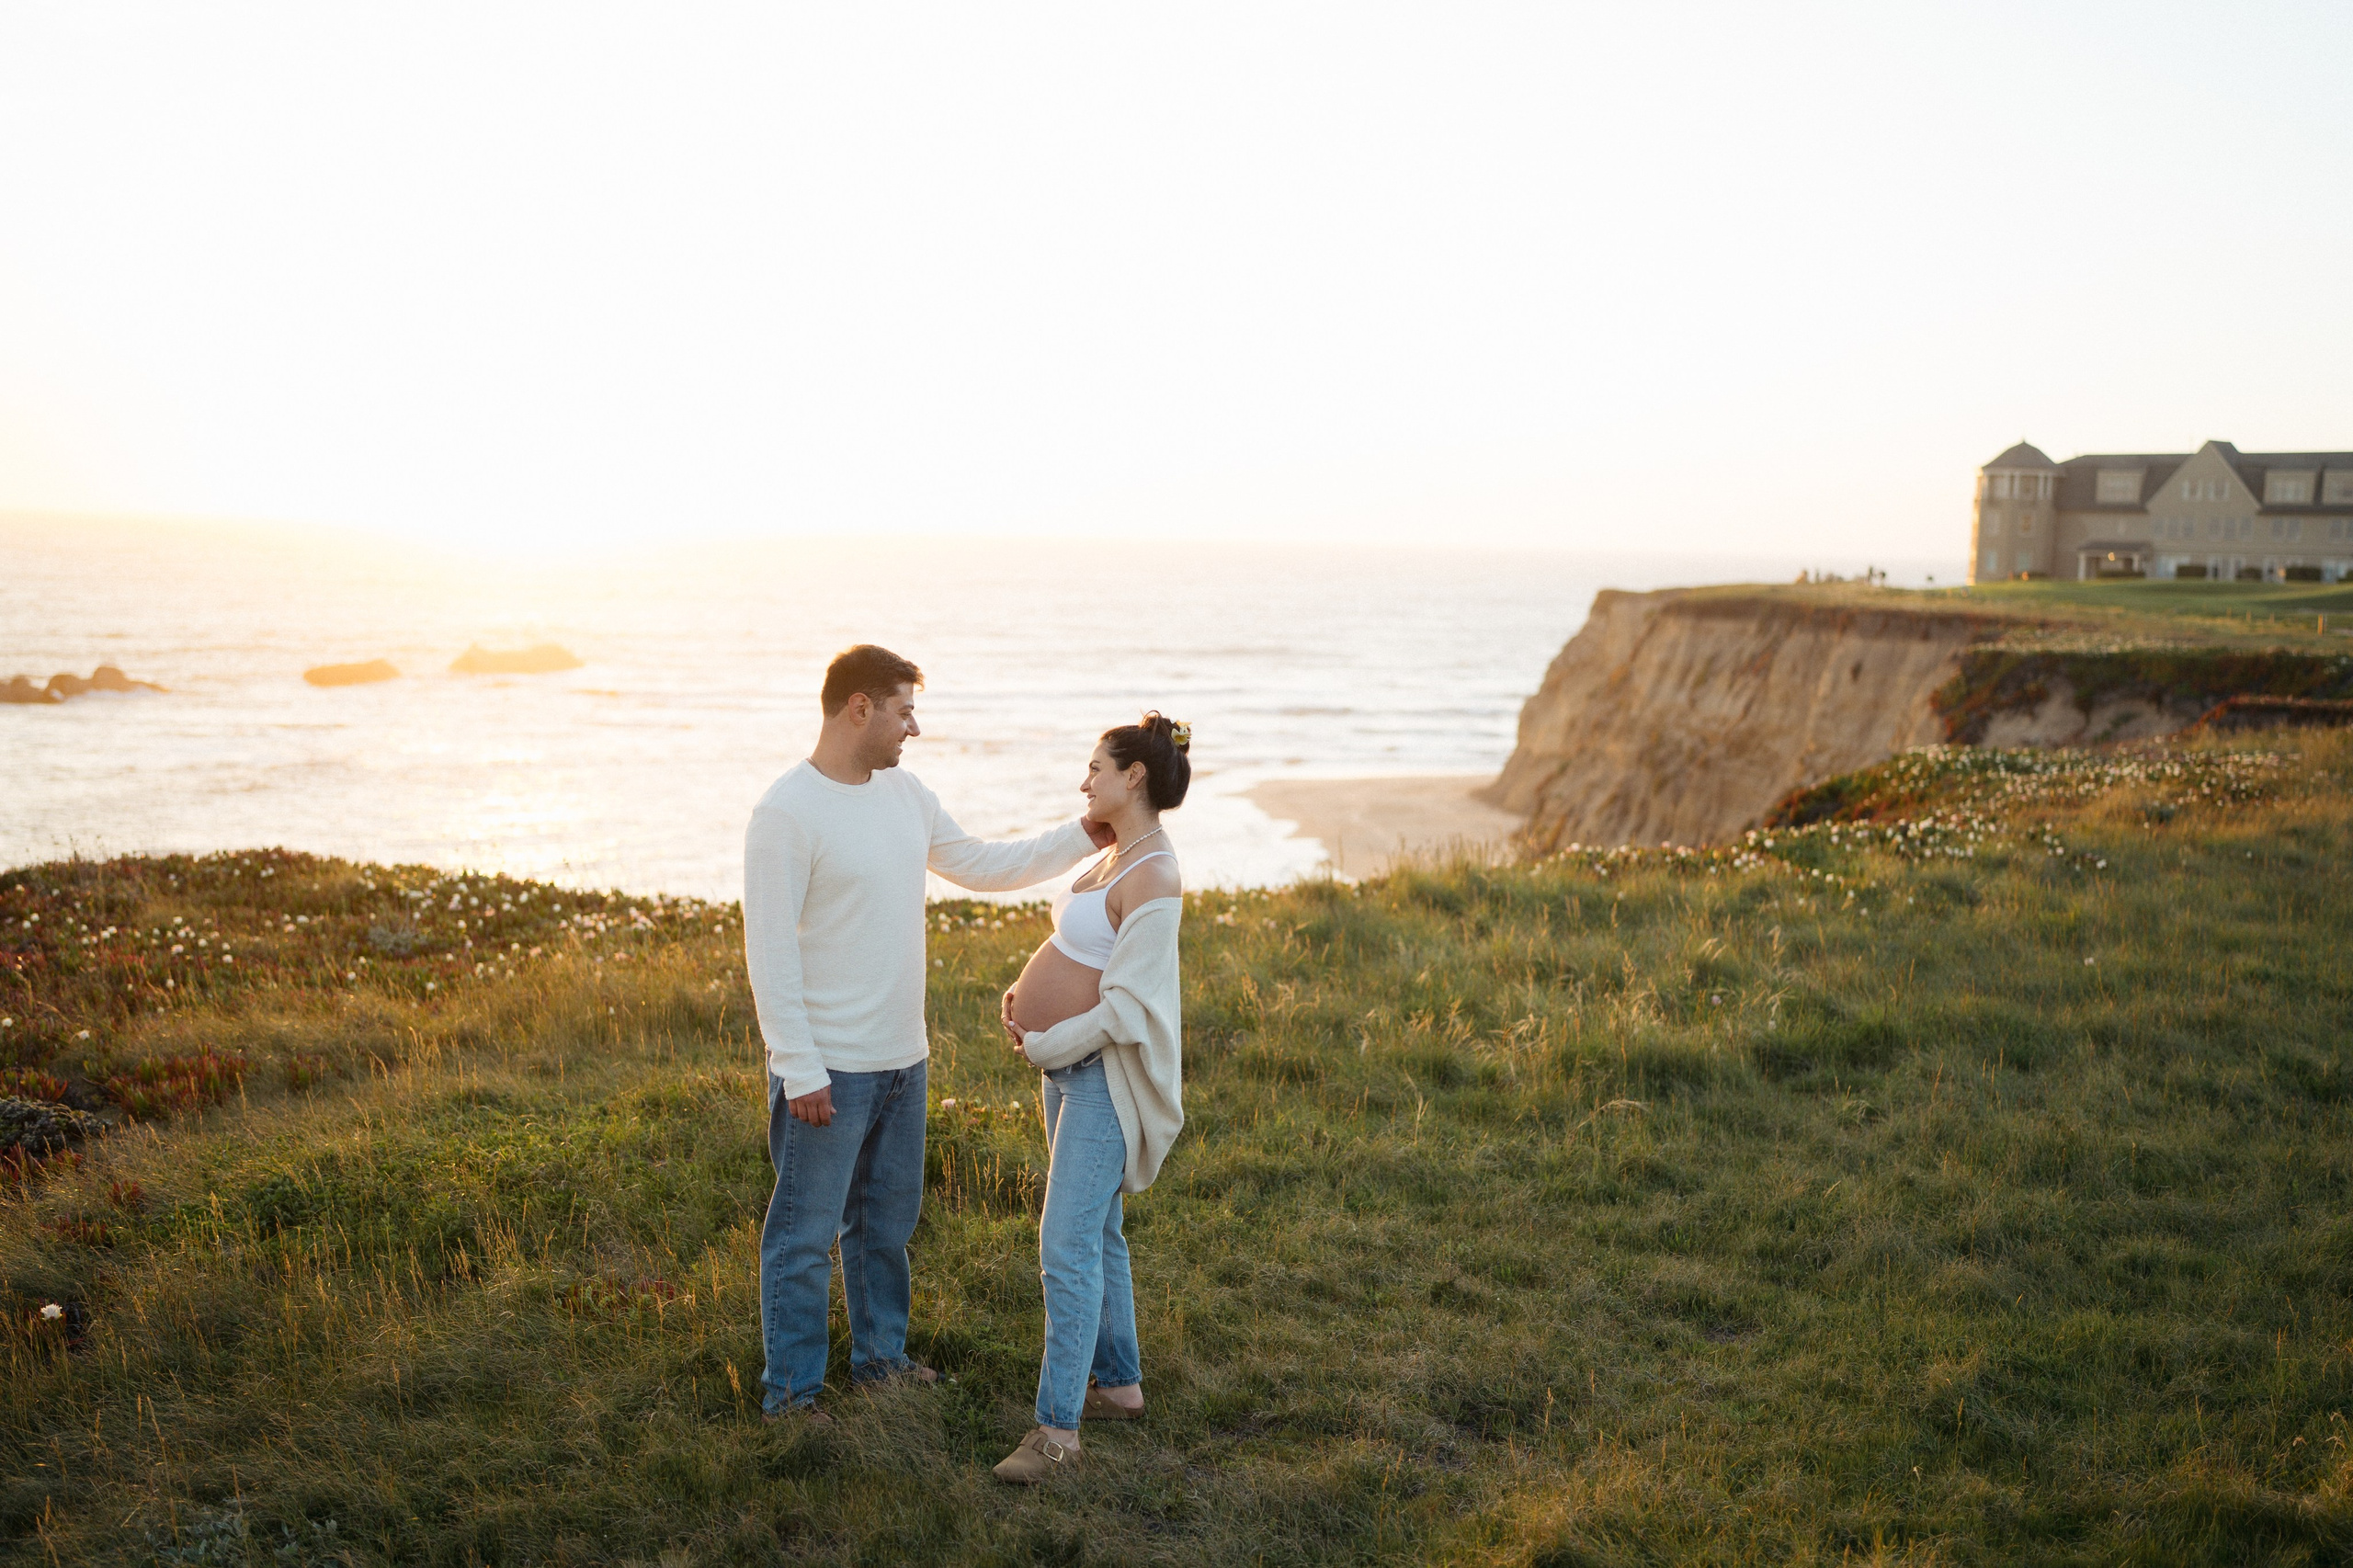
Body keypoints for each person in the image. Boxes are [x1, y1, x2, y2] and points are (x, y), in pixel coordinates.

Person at [743, 644, 1115, 1423]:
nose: (915, 727)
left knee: (885, 1226)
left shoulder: (906, 796)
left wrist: (1088, 832)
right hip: (827, 1070)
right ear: (860, 708)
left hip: (902, 1061)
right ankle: (792, 1395)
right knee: (802, 1240)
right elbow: (769, 950)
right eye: (905, 710)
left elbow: (983, 863)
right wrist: (798, 1065)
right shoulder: (786, 812)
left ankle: (880, 1361)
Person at [990, 712, 1192, 1483]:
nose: (1085, 781)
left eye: (1096, 769)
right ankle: (1122, 1384)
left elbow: (1126, 1010)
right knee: (1099, 1233)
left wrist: (1046, 1040)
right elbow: (1079, 946)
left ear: (1133, 777)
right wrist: (1025, 988)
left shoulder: (1154, 875)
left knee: (1065, 1248)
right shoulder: (1118, 853)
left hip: (1100, 1081)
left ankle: (1057, 1434)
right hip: (1066, 1076)